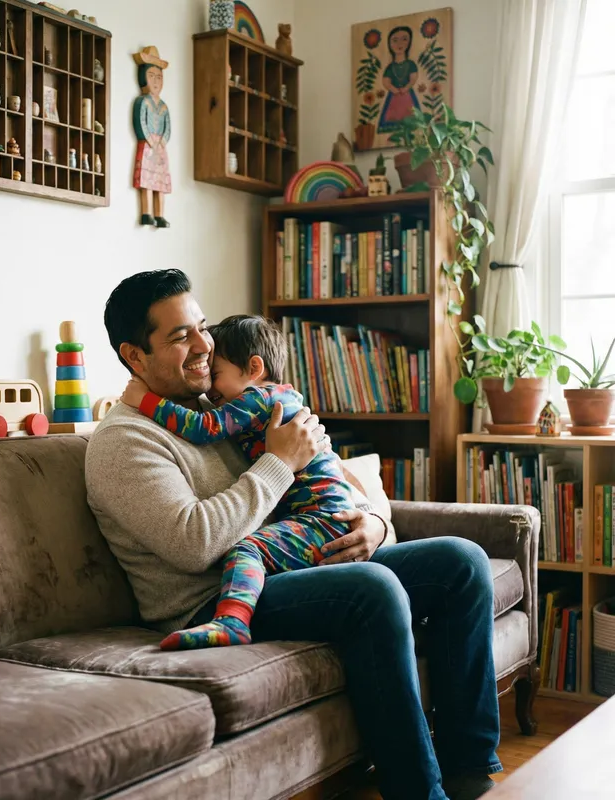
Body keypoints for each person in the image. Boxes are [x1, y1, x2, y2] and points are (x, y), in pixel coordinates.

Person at [86, 269, 501, 800]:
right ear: (134, 356)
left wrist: (373, 525)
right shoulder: (124, 441)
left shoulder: (225, 405)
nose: (203, 346)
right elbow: (193, 544)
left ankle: (470, 772)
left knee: (461, 563)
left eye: (202, 327)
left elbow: (337, 481)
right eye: (179, 336)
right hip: (214, 598)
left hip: (290, 561)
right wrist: (280, 461)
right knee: (371, 590)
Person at [119, 313, 368, 651]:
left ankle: (233, 621)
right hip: (324, 519)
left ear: (253, 369)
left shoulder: (258, 399)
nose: (211, 384)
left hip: (321, 521)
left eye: (216, 372)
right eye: (182, 336)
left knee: (247, 548)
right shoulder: (283, 397)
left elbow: (202, 427)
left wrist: (144, 400)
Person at [132, 46, 171, 228]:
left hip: (160, 147)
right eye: (152, 76)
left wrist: (162, 142)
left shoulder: (163, 106)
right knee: (147, 181)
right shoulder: (143, 102)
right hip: (148, 145)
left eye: (159, 77)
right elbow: (141, 122)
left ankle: (160, 215)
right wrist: (149, 139)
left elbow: (167, 127)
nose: (156, 81)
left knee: (160, 183)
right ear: (143, 78)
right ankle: (146, 213)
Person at [377, 25, 420, 134]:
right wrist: (393, 89)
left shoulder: (410, 64)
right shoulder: (390, 67)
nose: (399, 44)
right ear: (389, 44)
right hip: (394, 96)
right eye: (395, 40)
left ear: (409, 42)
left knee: (410, 115)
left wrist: (406, 88)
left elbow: (413, 78)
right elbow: (385, 81)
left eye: (404, 39)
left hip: (407, 95)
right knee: (393, 116)